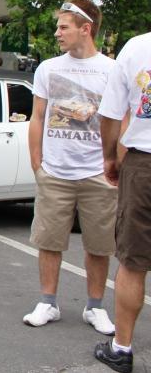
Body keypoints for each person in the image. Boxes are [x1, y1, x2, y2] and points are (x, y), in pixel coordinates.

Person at [23, 0, 117, 338]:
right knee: (49, 240)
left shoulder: (110, 70)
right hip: (56, 171)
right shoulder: (48, 68)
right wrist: (38, 163)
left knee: (99, 243)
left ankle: (95, 307)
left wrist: (114, 165)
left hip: (97, 173)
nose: (57, 33)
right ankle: (48, 302)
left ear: (85, 29)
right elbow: (37, 116)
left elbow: (120, 120)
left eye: (63, 27)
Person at [92, 28, 151, 372]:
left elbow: (111, 114)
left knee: (133, 261)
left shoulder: (138, 47)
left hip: (144, 164)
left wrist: (110, 157)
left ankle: (122, 347)